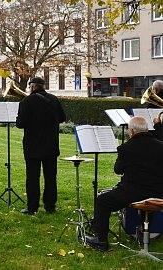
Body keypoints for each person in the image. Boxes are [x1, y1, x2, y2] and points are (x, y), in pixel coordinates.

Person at [85, 116, 163, 251]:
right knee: (147, 201)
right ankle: (145, 232)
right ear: (146, 129)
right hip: (158, 192)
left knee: (103, 201)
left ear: (131, 131)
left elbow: (118, 170)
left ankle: (101, 240)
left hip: (133, 192)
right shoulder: (161, 146)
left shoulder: (126, 148)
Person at [16, 77, 66, 215]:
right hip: (51, 144)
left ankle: (32, 207)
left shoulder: (26, 101)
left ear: (32, 87)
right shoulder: (53, 99)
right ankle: (50, 205)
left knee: (32, 177)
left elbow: (20, 123)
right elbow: (62, 118)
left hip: (33, 145)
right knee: (50, 177)